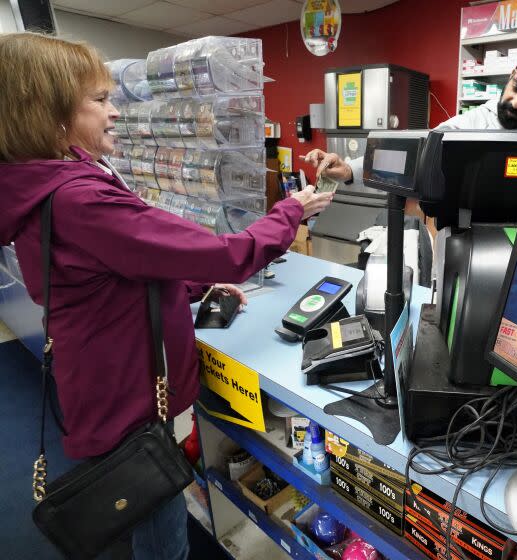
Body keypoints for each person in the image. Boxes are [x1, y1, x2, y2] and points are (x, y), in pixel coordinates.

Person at [0, 33, 334, 559]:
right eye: (100, 100)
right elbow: (225, 253)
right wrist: (291, 211)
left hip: (105, 378)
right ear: (52, 114)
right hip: (129, 393)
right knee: (156, 507)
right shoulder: (80, 198)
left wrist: (195, 285)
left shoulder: (51, 186)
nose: (114, 114)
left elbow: (122, 269)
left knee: (150, 498)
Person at [302, 45, 517, 187]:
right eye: (516, 88)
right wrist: (350, 169)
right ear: (510, 78)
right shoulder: (470, 124)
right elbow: (412, 152)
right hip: (467, 243)